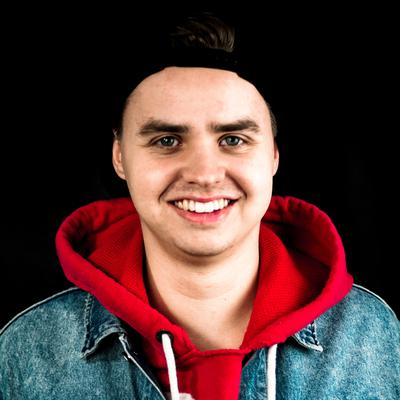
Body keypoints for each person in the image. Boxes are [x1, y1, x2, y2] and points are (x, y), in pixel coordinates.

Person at [1, 13, 399, 400]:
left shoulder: (377, 335)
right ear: (120, 157)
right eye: (167, 141)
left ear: (273, 156)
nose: (205, 174)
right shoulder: (28, 347)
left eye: (233, 140)